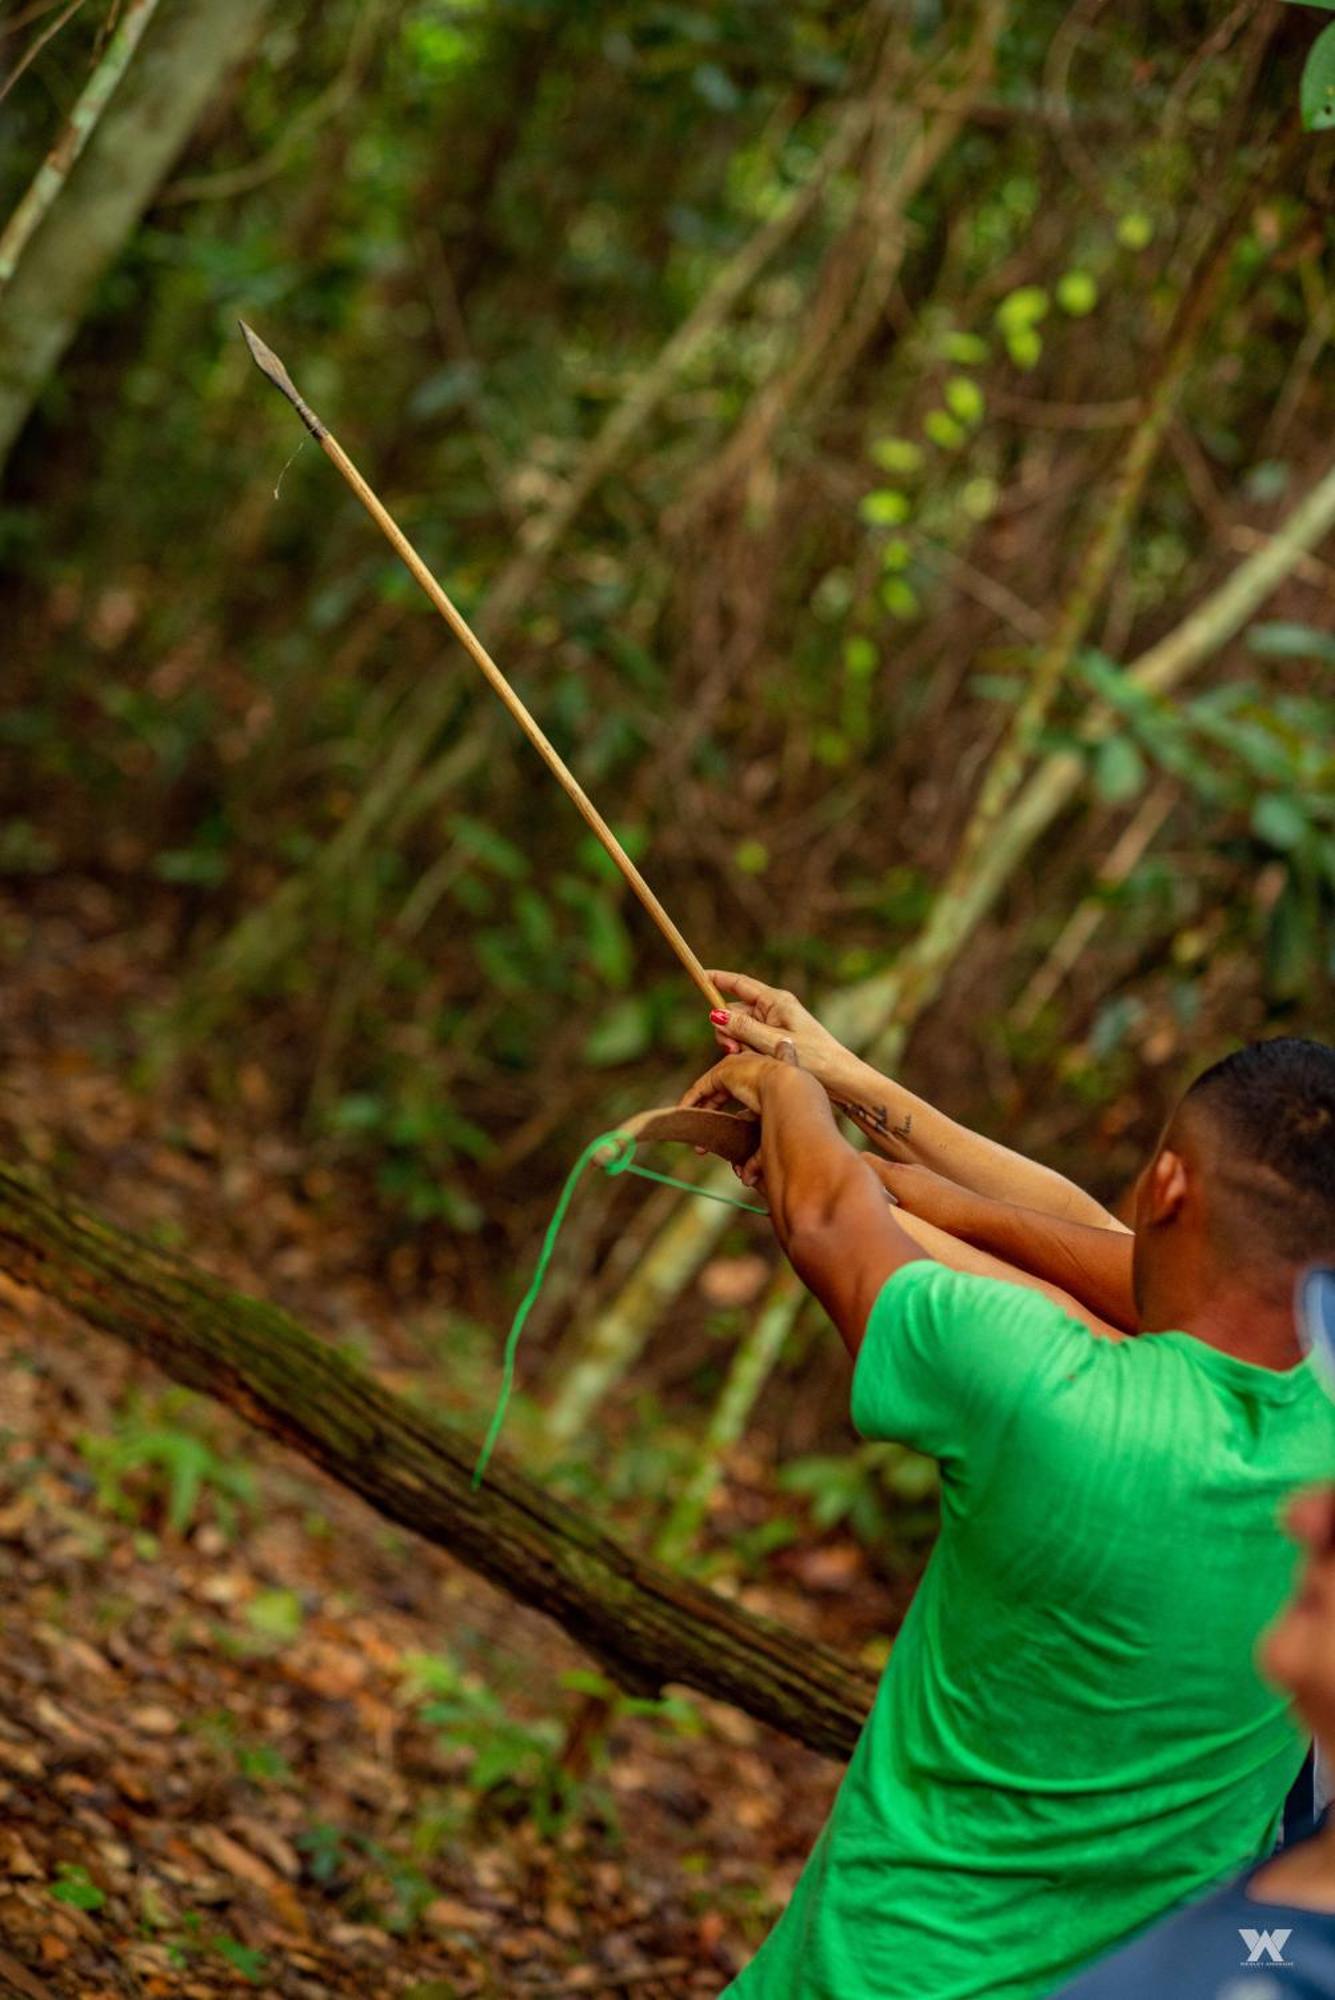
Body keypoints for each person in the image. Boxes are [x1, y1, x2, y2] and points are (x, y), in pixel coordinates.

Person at [677, 993, 1335, 2000]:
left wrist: (786, 1093)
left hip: (880, 1970)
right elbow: (1102, 1246)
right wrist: (850, 1097)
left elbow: (824, 1218)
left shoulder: (1041, 1391)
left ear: (1166, 1185)